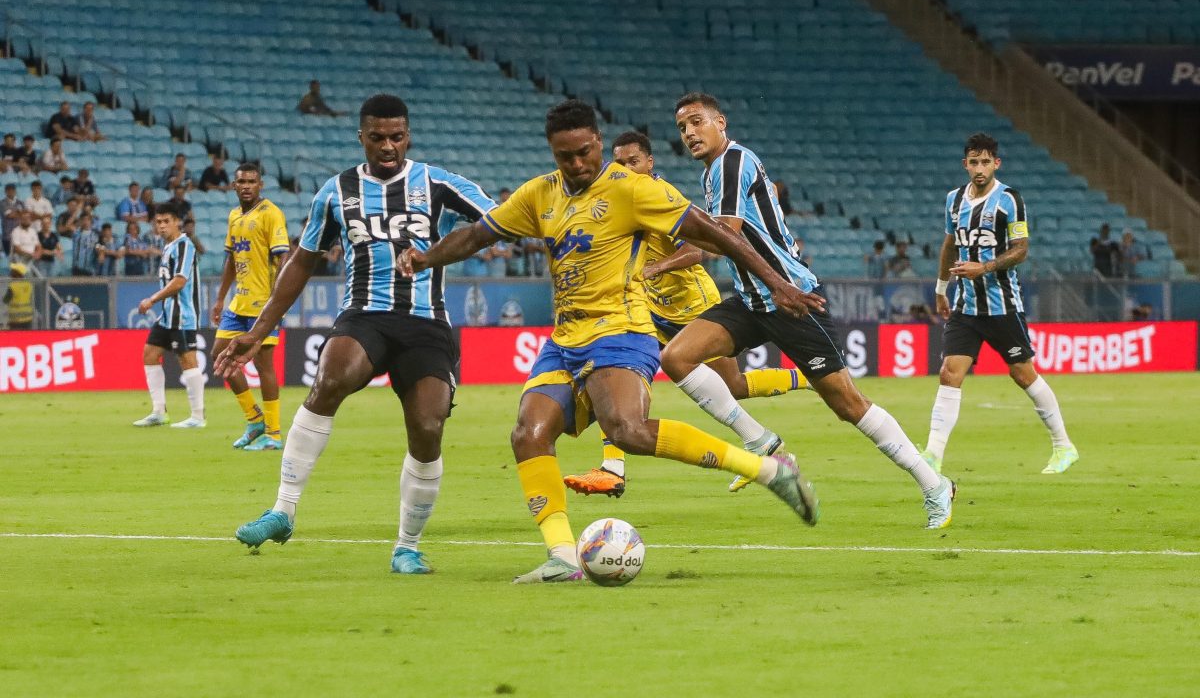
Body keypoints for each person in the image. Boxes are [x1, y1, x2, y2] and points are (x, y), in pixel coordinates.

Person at [398, 99, 822, 583]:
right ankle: (561, 558)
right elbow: (478, 234)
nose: (576, 164)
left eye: (583, 152)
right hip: (565, 339)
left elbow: (715, 234)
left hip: (622, 330)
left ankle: (770, 472)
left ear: (598, 142)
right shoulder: (540, 195)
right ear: (552, 153)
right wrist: (428, 258)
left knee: (626, 430)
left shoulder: (632, 190)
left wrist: (776, 282)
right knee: (527, 435)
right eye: (564, 157)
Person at [217, 93, 495, 576]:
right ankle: (283, 510)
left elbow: (496, 222)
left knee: (428, 428)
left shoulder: (437, 183)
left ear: (408, 135)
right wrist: (259, 329)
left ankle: (406, 546)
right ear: (361, 137)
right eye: (377, 137)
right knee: (331, 377)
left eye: (397, 136)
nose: (388, 146)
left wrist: (438, 252)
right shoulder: (336, 191)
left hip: (427, 323)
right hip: (364, 315)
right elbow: (301, 263)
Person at [661, 92, 954, 529]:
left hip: (792, 299)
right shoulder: (717, 171)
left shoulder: (731, 163)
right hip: (753, 300)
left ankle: (934, 485)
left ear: (720, 122)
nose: (689, 133)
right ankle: (761, 441)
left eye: (697, 122)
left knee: (847, 404)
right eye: (682, 127)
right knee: (676, 357)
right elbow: (725, 238)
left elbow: (724, 236)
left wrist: (661, 243)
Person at [565, 130, 811, 499]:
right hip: (649, 309)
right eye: (619, 164)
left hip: (693, 302)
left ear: (650, 163)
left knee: (733, 387)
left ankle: (805, 383)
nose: (626, 169)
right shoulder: (617, 200)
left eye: (633, 161)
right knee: (615, 371)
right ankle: (612, 467)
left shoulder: (664, 199)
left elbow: (701, 250)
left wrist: (654, 268)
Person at [923, 132, 1078, 475]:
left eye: (985, 162)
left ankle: (1063, 446)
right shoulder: (953, 200)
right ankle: (932, 454)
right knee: (950, 373)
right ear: (965, 164)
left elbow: (1021, 248)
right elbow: (949, 244)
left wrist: (985, 267)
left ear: (997, 163)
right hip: (965, 306)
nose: (979, 168)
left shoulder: (1010, 200)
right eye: (973, 162)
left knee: (1023, 374)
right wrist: (940, 288)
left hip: (1002, 304)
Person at [210, 163, 291, 452]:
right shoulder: (234, 216)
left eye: (252, 181)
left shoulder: (271, 214)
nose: (246, 186)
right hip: (238, 301)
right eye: (241, 181)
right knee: (220, 355)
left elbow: (284, 258)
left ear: (261, 185)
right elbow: (231, 259)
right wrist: (220, 298)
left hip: (264, 303)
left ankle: (273, 432)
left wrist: (278, 301)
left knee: (263, 364)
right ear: (234, 185)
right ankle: (254, 419)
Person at [132, 202, 206, 429]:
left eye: (166, 222)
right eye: (158, 222)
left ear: (177, 222)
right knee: (150, 354)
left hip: (183, 315)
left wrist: (152, 299)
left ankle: (197, 416)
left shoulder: (185, 246)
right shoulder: (168, 247)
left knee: (187, 360)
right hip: (167, 315)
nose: (162, 226)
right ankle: (159, 411)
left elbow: (180, 281)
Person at [3, 262, 34, 329]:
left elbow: (5, 300)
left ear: (16, 273)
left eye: (12, 270)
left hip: (16, 319)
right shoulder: (28, 284)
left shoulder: (13, 286)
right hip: (28, 317)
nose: (10, 272)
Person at [1, 183, 25, 256]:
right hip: (7, 235)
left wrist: (17, 213)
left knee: (20, 256)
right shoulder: (2, 203)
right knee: (9, 257)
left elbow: (24, 215)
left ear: (15, 191)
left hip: (19, 235)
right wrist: (19, 213)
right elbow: (10, 215)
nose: (11, 192)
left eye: (12, 190)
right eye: (9, 190)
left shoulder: (20, 203)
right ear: (6, 191)